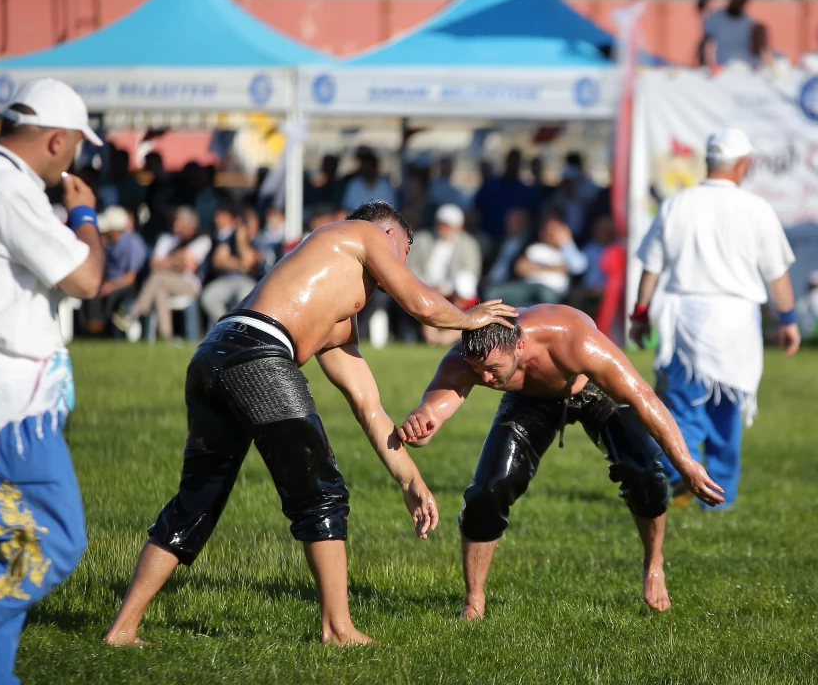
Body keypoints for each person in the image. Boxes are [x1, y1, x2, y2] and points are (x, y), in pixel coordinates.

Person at [103, 201, 517, 648]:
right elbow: (420, 303)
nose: (401, 266)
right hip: (259, 353)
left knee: (197, 499)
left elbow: (369, 407)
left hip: (213, 353)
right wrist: (468, 317)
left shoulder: (335, 316)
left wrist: (410, 480)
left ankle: (122, 630)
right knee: (321, 494)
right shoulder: (362, 233)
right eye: (403, 254)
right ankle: (339, 630)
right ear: (389, 237)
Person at [395, 308, 724, 619]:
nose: (484, 377)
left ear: (520, 345)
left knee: (643, 473)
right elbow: (430, 419)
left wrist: (686, 465)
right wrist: (419, 426)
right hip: (532, 398)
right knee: (489, 489)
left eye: (492, 369)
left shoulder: (574, 340)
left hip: (593, 387)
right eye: (476, 368)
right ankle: (474, 599)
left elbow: (643, 397)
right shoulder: (467, 360)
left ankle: (654, 565)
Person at [0, 78, 105, 685]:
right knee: (53, 541)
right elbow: (85, 279)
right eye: (77, 148)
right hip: (2, 409)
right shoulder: (7, 189)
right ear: (58, 141)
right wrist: (85, 215)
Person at [630, 127, 800, 511]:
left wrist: (640, 315)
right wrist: (788, 320)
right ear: (743, 164)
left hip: (684, 319)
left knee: (682, 409)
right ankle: (717, 497)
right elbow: (778, 274)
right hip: (736, 324)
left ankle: (679, 477)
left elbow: (651, 268)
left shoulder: (677, 204)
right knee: (726, 415)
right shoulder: (756, 209)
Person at [115, 206, 213, 341]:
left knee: (157, 278)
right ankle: (167, 337)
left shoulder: (202, 239)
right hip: (164, 281)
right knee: (160, 291)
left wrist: (167, 262)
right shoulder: (167, 238)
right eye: (175, 221)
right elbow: (154, 264)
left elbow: (188, 263)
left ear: (190, 225)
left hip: (189, 284)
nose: (176, 225)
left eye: (180, 222)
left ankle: (133, 315)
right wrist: (176, 260)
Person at [407, 204, 483, 346]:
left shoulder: (468, 244)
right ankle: (433, 337)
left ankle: (444, 337)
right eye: (441, 224)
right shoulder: (423, 240)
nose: (444, 229)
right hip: (425, 288)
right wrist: (428, 287)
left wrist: (446, 288)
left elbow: (471, 274)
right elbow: (412, 267)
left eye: (448, 225)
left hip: (454, 292)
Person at [485, 211, 587, 307]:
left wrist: (566, 242)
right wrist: (554, 268)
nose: (550, 234)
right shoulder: (536, 248)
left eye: (554, 230)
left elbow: (578, 268)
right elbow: (520, 267)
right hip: (527, 287)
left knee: (542, 296)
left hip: (551, 291)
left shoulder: (568, 252)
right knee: (492, 293)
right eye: (548, 230)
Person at [79, 206, 147, 337]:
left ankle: (98, 329)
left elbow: (130, 278)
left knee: (107, 293)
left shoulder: (133, 242)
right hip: (111, 281)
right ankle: (90, 326)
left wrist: (111, 286)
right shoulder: (109, 243)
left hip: (127, 285)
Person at [200, 202, 263, 329]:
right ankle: (227, 327)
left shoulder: (259, 239)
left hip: (247, 281)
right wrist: (239, 263)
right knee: (209, 297)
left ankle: (240, 330)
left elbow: (248, 261)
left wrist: (240, 240)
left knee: (242, 297)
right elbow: (218, 261)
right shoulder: (227, 238)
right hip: (226, 280)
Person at [474, 149, 543, 239]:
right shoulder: (490, 186)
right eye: (512, 160)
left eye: (516, 161)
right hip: (489, 237)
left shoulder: (527, 192)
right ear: (506, 161)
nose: (514, 164)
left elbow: (536, 216)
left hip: (515, 240)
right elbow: (476, 211)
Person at [703, 0, 754, 68]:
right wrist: (708, 64)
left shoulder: (750, 23)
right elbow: (706, 43)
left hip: (744, 68)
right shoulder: (715, 18)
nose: (737, 2)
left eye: (740, 0)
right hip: (721, 67)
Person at [339, 147, 395, 214]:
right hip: (356, 222)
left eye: (369, 165)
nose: (366, 168)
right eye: (364, 165)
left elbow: (392, 210)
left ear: (375, 166)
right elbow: (346, 208)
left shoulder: (385, 186)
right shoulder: (354, 184)